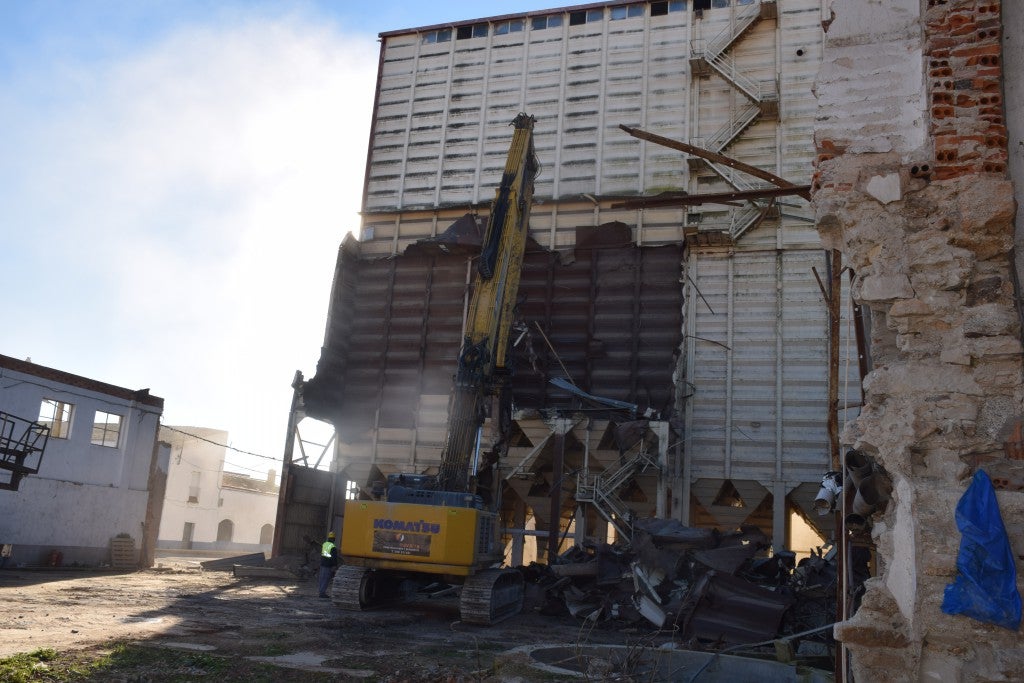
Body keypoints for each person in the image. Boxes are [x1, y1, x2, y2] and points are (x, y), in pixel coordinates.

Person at [318, 531, 339, 598]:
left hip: (322, 563)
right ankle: (322, 593)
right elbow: (334, 557)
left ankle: (320, 591)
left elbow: (324, 553)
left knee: (321, 578)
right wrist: (335, 565)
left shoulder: (324, 544)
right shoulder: (333, 547)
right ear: (334, 539)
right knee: (326, 579)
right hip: (328, 565)